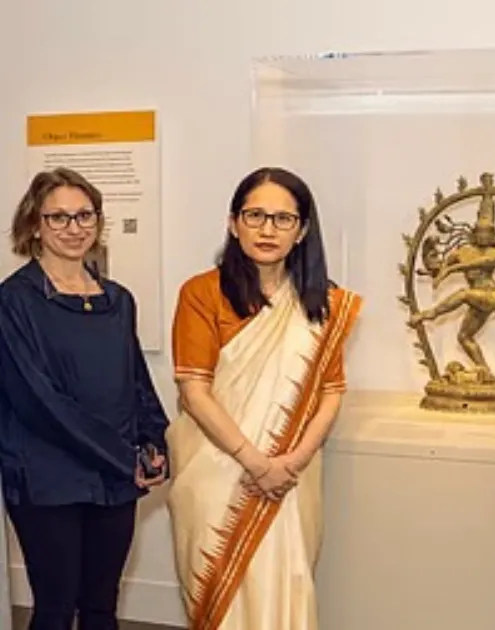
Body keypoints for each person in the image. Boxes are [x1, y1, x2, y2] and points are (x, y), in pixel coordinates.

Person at [165, 167, 363, 630]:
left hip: (290, 476)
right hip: (220, 472)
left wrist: (292, 461)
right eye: (255, 215)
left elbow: (331, 391)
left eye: (283, 219)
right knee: (223, 603)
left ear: (302, 230)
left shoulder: (325, 303)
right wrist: (255, 463)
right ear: (234, 223)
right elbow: (194, 391)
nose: (267, 229)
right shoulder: (202, 293)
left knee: (287, 587)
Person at [0, 167, 169, 630]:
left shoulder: (118, 299)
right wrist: (123, 457)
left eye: (84, 215)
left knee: (101, 606)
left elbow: (136, 381)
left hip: (114, 478)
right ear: (35, 225)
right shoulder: (13, 301)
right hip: (47, 477)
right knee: (55, 609)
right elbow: (39, 403)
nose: (73, 228)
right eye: (58, 217)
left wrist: (154, 441)